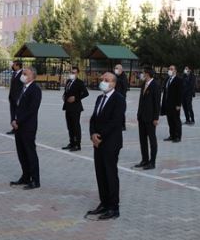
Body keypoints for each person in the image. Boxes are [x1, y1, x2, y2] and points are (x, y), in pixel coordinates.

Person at [87, 71, 126, 221]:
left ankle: (113, 207)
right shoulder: (99, 98)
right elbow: (93, 119)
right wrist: (92, 134)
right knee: (100, 173)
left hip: (110, 143)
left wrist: (100, 136)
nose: (103, 81)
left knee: (110, 174)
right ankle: (104, 203)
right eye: (102, 79)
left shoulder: (119, 99)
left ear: (114, 83)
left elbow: (115, 122)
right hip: (98, 143)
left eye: (107, 79)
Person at [11, 67, 42, 189]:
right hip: (18, 125)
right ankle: (25, 176)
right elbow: (16, 105)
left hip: (28, 126)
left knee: (30, 153)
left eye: (25, 74)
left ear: (32, 76)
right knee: (21, 153)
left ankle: (35, 180)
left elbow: (32, 110)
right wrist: (13, 119)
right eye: (23, 73)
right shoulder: (22, 88)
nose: (22, 75)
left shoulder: (35, 89)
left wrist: (18, 121)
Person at [135, 66, 160, 169]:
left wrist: (155, 118)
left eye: (143, 73)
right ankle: (144, 160)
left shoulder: (155, 85)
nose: (141, 74)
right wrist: (138, 114)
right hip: (142, 117)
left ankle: (152, 162)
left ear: (147, 74)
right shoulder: (143, 84)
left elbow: (157, 103)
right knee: (142, 140)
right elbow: (141, 101)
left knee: (152, 140)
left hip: (150, 118)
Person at [61, 66, 89, 151]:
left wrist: (76, 98)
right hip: (68, 107)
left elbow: (86, 93)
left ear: (77, 73)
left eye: (74, 73)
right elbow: (66, 91)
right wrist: (64, 96)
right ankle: (72, 142)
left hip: (76, 108)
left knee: (75, 126)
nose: (72, 74)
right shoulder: (68, 81)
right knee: (69, 126)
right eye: (71, 72)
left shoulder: (79, 82)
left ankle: (77, 145)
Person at [161, 65, 184, 142]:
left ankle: (178, 136)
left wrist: (178, 104)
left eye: (172, 69)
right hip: (168, 104)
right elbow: (165, 91)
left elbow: (180, 93)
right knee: (170, 120)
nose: (170, 70)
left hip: (175, 104)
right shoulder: (168, 79)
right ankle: (172, 135)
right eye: (169, 69)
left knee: (176, 120)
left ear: (175, 71)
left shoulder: (178, 80)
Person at [7, 60, 24, 134]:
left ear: (18, 66)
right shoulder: (14, 73)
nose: (12, 66)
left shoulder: (23, 74)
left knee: (18, 113)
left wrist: (20, 97)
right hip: (12, 97)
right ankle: (14, 127)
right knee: (12, 113)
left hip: (18, 98)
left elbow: (23, 86)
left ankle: (18, 127)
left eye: (14, 65)